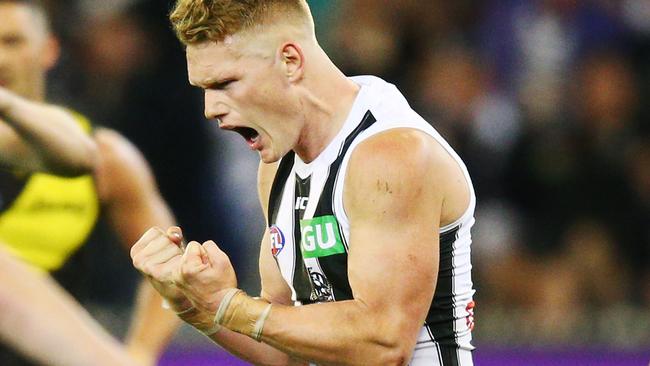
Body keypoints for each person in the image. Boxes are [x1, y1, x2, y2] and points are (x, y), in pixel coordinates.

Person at [132, 0, 476, 365]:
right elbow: (285, 353)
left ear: (290, 61)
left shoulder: (392, 155)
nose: (210, 108)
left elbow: (385, 342)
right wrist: (194, 304)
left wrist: (231, 306)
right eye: (204, 88)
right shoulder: (278, 165)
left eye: (225, 83)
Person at [0, 1, 179, 365]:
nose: (0, 58)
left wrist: (141, 352)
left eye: (12, 42)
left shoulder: (105, 157)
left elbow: (172, 265)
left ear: (48, 50)